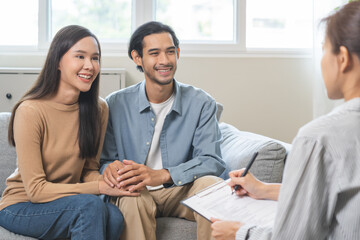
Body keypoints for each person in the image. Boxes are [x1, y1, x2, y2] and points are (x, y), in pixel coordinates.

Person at [211, 1, 360, 239]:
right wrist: (264, 189)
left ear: (342, 58)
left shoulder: (319, 138)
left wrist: (240, 234)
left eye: (323, 49)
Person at [0, 25, 139, 240]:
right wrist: (100, 187)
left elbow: (88, 170)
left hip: (70, 203)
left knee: (114, 216)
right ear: (57, 61)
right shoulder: (30, 111)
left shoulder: (98, 109)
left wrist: (115, 180)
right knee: (89, 207)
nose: (89, 66)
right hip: (21, 206)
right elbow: (36, 191)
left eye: (95, 58)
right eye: (80, 56)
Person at [100, 21, 226, 240]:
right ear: (137, 58)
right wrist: (109, 168)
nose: (164, 61)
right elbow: (103, 161)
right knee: (130, 198)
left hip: (182, 190)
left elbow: (211, 160)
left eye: (170, 52)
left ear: (178, 53)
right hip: (137, 192)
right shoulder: (115, 104)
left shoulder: (202, 103)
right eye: (154, 53)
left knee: (213, 187)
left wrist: (162, 175)